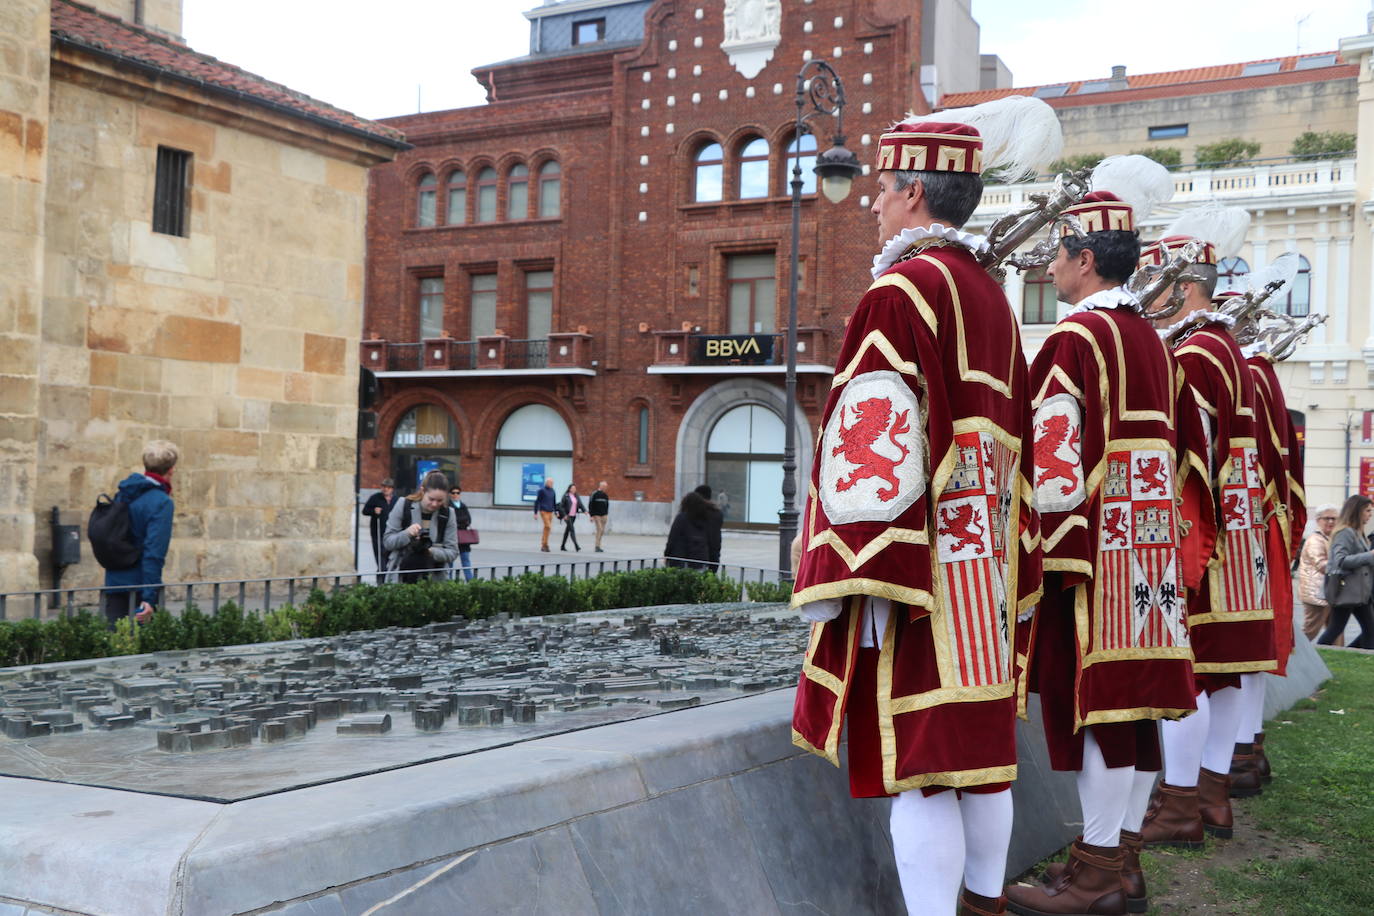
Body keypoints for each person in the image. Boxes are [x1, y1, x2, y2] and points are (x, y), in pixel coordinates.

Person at [790, 98, 1056, 916]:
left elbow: (874, 448)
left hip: (920, 570)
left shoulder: (900, 293)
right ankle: (984, 904)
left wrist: (850, 572)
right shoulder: (989, 295)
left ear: (913, 193)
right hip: (987, 574)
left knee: (918, 767)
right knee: (978, 755)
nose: (871, 202)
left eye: (880, 188)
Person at [1006, 173, 1215, 916]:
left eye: (1058, 256)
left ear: (1086, 258)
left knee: (1096, 709)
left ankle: (1094, 874)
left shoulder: (1073, 338)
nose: (1050, 269)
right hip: (1150, 554)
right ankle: (1121, 865)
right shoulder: (1156, 344)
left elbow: (1050, 456)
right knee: (1134, 709)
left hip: (1090, 559)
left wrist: (1040, 557)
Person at [1141, 205, 1277, 849]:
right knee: (1225, 673)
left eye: (1156, 281)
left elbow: (1182, 456)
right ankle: (1212, 794)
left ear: (1183, 285)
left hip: (1208, 537)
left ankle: (1180, 803)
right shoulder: (1226, 348)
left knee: (1190, 675)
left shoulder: (1193, 353)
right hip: (1241, 539)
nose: (1148, 296)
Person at [103, 440, 179, 626]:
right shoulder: (161, 502)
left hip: (114, 582)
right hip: (140, 587)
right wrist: (149, 597)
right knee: (143, 648)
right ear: (171, 470)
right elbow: (154, 553)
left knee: (116, 645)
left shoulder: (126, 492)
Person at [1316, 495, 1374, 648]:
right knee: (1335, 629)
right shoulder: (1345, 533)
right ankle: (1319, 653)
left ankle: (1364, 659)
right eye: (1367, 511)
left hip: (1359, 591)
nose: (1370, 514)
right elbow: (1340, 561)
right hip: (1347, 590)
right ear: (1357, 511)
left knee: (1370, 629)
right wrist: (1369, 555)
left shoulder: (1357, 532)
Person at [383, 470, 459, 583]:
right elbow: (387, 542)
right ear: (423, 491)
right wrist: (407, 533)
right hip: (401, 576)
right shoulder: (403, 504)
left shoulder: (448, 514)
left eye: (440, 500)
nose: (434, 504)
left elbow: (452, 552)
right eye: (431, 499)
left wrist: (430, 551)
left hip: (434, 580)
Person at [1298, 505, 1338, 641]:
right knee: (1310, 631)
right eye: (1327, 518)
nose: (1331, 522)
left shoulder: (1328, 538)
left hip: (1326, 592)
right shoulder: (1315, 540)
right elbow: (1322, 565)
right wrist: (1345, 563)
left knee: (1335, 628)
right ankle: (1295, 654)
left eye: (1334, 519)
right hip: (1316, 594)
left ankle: (1336, 654)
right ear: (1318, 520)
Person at [665, 489, 716, 570]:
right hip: (700, 559)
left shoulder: (681, 518)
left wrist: (667, 554)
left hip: (681, 559)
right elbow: (711, 540)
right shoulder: (705, 519)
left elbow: (672, 538)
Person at [362, 477, 396, 584]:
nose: (385, 489)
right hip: (378, 533)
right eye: (384, 487)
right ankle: (381, 582)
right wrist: (373, 511)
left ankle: (388, 580)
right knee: (381, 559)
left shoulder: (396, 500)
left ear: (392, 489)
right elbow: (365, 511)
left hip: (392, 534)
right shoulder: (375, 498)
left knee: (390, 558)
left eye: (388, 487)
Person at [692, 484, 723, 570]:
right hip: (713, 557)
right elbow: (716, 539)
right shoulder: (717, 513)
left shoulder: (692, 513)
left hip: (697, 558)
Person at [448, 484, 474, 581]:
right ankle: (449, 583)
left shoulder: (463, 506)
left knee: (466, 561)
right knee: (450, 562)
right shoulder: (448, 506)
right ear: (450, 494)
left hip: (463, 539)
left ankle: (471, 582)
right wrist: (461, 522)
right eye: (453, 493)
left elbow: (468, 520)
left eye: (458, 493)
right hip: (452, 538)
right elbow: (451, 521)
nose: (455, 495)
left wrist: (459, 522)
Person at [558, 484, 584, 551]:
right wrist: (564, 515)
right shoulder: (565, 496)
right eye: (572, 488)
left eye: (575, 488)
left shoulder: (576, 496)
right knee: (572, 530)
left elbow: (580, 504)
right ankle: (576, 545)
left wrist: (585, 511)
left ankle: (562, 546)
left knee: (567, 531)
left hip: (573, 516)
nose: (574, 489)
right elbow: (561, 506)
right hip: (567, 516)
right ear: (569, 489)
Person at [533, 477, 556, 552]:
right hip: (543, 511)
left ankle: (544, 545)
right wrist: (535, 513)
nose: (552, 484)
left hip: (550, 512)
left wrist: (556, 511)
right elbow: (537, 501)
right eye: (550, 483)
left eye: (552, 483)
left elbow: (554, 502)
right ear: (546, 483)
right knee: (548, 526)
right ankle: (545, 544)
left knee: (547, 528)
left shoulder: (553, 491)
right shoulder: (541, 490)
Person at [589, 481, 611, 552]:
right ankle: (597, 546)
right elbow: (590, 504)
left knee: (602, 531)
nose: (606, 488)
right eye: (604, 487)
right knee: (600, 529)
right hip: (596, 515)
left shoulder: (605, 495)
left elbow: (607, 505)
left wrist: (606, 514)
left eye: (606, 487)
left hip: (604, 515)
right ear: (601, 486)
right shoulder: (594, 494)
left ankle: (599, 545)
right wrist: (591, 515)